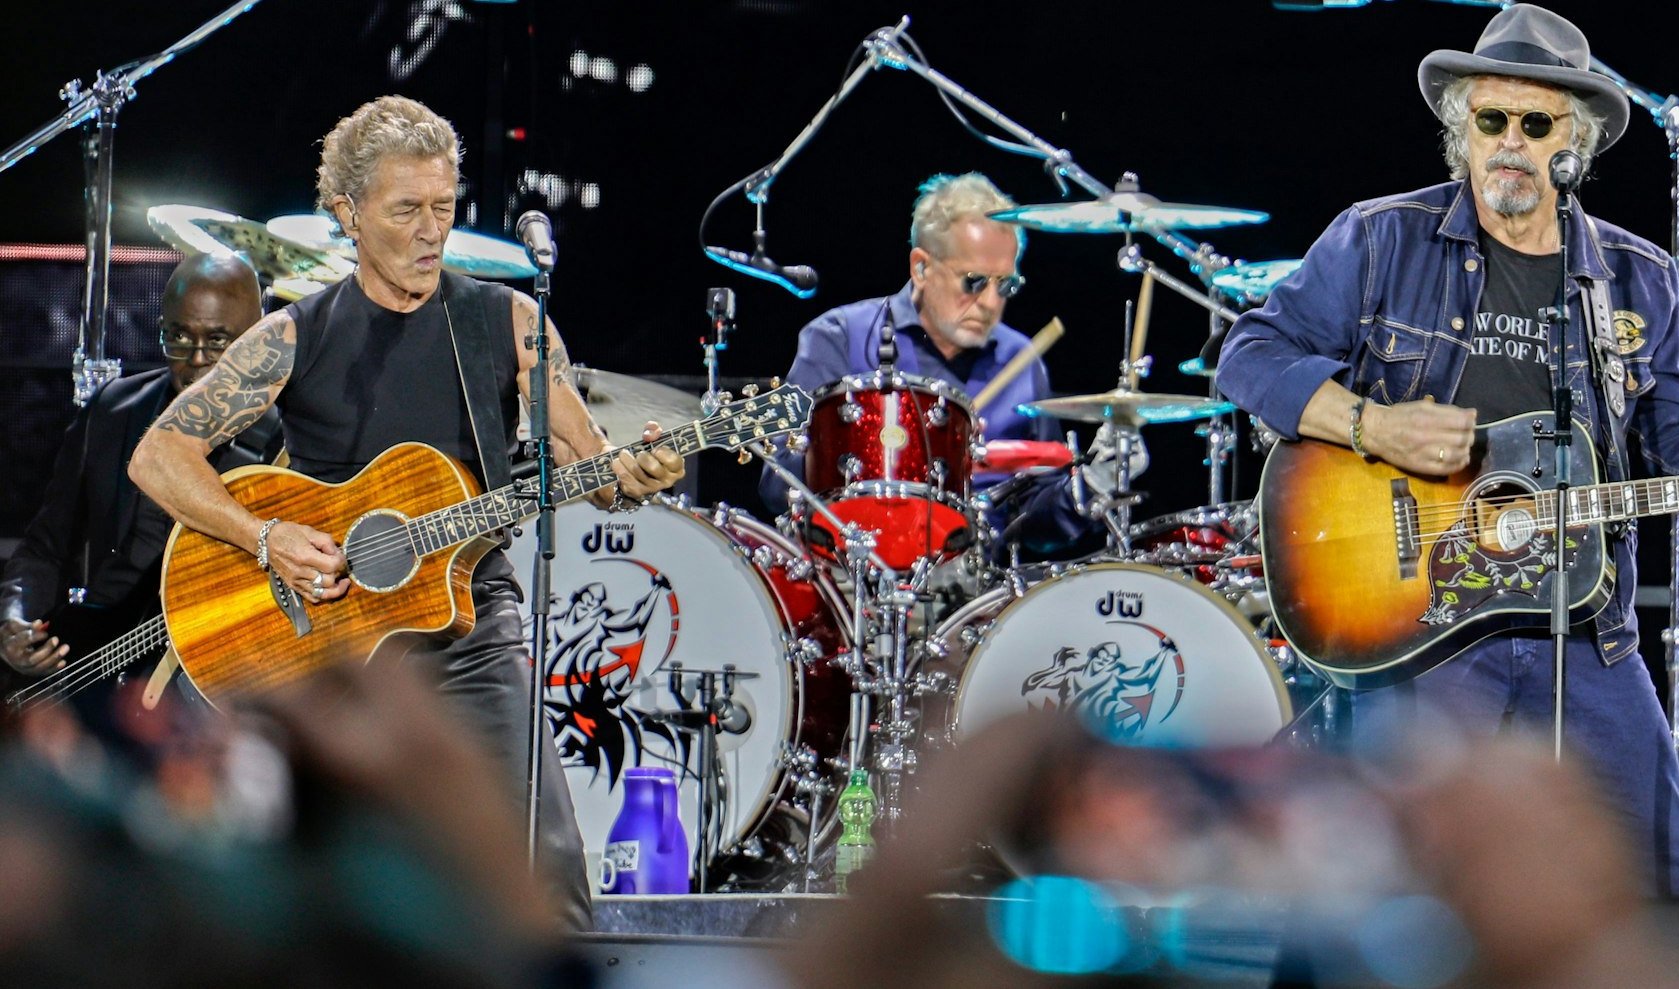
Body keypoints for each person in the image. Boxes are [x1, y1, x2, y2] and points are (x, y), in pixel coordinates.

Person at [1215, 5, 1679, 900]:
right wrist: (1371, 425)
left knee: (1662, 882)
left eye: (1534, 123)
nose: (1508, 143)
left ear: (1574, 145)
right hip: (1427, 626)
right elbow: (1249, 354)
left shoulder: (1635, 277)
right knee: (1413, 892)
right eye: (1488, 120)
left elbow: (1673, 426)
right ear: (1459, 130)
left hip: (1585, 628)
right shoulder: (1380, 236)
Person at [128, 95, 684, 928]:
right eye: (407, 210)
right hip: (331, 650)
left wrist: (638, 473)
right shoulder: (295, 335)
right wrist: (266, 536)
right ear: (348, 214)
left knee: (549, 879)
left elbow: (592, 466)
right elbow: (157, 454)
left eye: (444, 208)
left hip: (469, 633)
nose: (433, 232)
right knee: (307, 903)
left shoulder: (509, 321)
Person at [759, 172, 1110, 555]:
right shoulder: (839, 338)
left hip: (978, 598)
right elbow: (776, 485)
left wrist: (1091, 487)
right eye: (974, 281)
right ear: (921, 268)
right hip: (851, 582)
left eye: (1006, 285)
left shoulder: (1022, 361)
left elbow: (1036, 526)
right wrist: (883, 459)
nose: (992, 302)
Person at [1, 254, 274, 693]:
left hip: (219, 675)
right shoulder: (114, 410)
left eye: (219, 341)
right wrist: (14, 620)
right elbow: (46, 547)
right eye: (180, 337)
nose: (197, 361)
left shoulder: (288, 440)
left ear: (256, 340)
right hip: (93, 661)